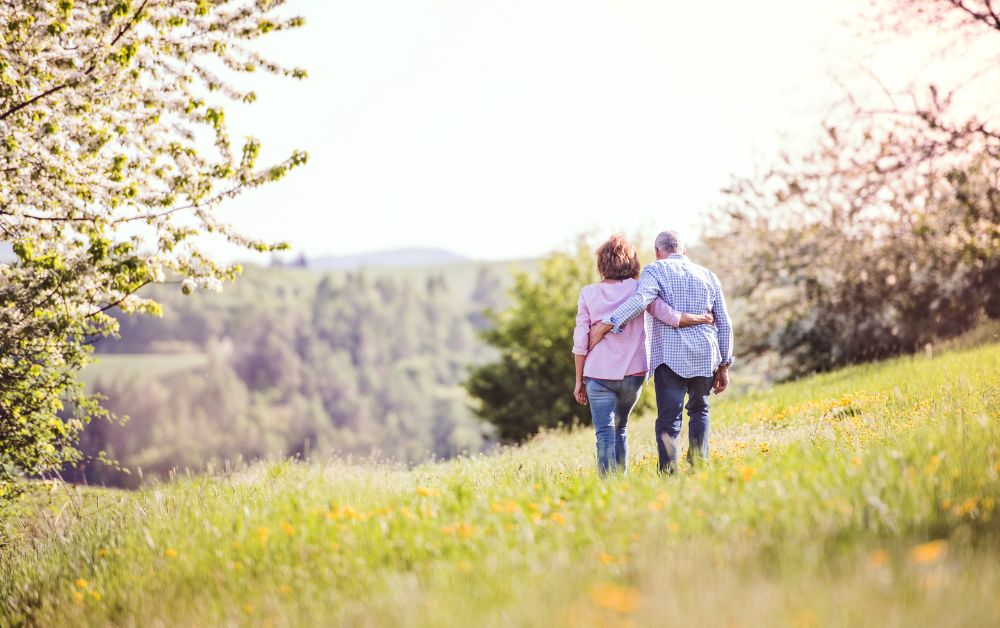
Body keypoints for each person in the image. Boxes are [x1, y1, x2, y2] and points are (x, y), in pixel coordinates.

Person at [589, 230, 734, 474]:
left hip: (670, 358)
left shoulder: (654, 270)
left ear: (657, 252)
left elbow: (640, 300)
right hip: (705, 356)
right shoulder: (709, 275)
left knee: (669, 419)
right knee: (700, 410)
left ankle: (668, 472)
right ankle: (699, 465)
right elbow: (725, 322)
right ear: (684, 251)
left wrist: (607, 324)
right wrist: (725, 364)